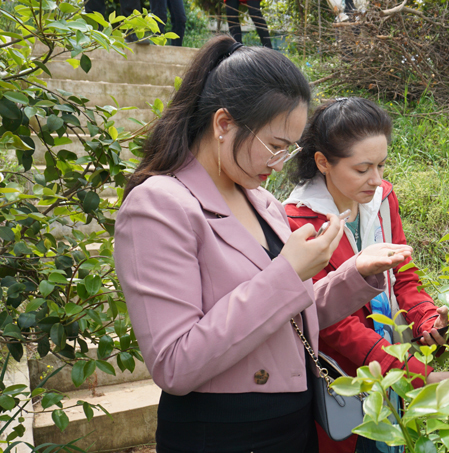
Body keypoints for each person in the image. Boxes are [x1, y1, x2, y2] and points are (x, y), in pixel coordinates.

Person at [114, 36, 413, 452]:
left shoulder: (262, 202)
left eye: (288, 149)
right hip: (223, 430)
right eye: (274, 146)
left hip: (293, 421)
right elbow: (174, 363)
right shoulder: (159, 206)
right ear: (223, 124)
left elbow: (290, 314)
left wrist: (354, 275)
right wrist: (289, 271)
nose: (280, 163)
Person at [284, 97, 449, 453]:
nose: (376, 179)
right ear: (323, 162)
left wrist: (426, 320)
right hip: (347, 380)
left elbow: (404, 276)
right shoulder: (300, 222)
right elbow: (332, 326)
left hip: (394, 365)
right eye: (362, 169)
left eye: (381, 165)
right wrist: (412, 372)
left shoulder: (381, 199)